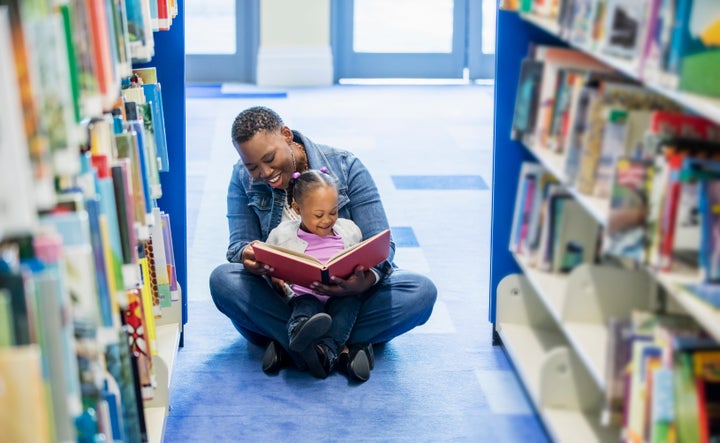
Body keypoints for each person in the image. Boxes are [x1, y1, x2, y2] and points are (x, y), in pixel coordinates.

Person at [208, 105, 437, 379]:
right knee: (223, 280)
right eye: (252, 166)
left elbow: (382, 245)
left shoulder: (346, 165)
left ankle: (291, 344)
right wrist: (249, 256)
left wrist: (365, 280)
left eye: (269, 158)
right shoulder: (241, 178)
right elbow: (237, 246)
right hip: (288, 298)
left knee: (421, 292)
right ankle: (341, 347)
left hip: (352, 296)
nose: (265, 173)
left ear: (286, 135)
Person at [265, 168, 371, 381]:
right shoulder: (283, 234)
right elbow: (268, 261)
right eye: (318, 215)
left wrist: (358, 277)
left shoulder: (349, 230)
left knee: (348, 306)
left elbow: (361, 258)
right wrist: (275, 277)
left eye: (333, 212)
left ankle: (320, 353)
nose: (327, 220)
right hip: (305, 294)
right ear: (297, 209)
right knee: (307, 305)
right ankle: (301, 333)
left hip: (340, 295)